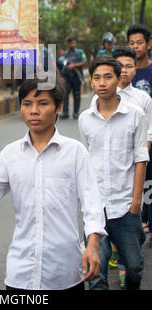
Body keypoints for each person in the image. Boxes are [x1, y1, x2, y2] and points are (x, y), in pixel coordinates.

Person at [0, 74, 106, 290]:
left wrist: (92, 245)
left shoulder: (75, 153)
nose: (34, 111)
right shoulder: (10, 154)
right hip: (20, 272)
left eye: (42, 103)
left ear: (59, 107)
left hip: (65, 273)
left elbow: (92, 204)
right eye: (27, 104)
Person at [78, 55, 149, 290]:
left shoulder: (135, 115)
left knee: (135, 265)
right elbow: (86, 160)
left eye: (108, 77)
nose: (101, 82)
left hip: (125, 204)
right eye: (96, 77)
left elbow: (140, 158)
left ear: (119, 80)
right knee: (96, 272)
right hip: (96, 205)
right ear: (91, 82)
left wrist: (136, 202)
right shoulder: (85, 119)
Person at [127, 24, 152, 249]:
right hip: (131, 140)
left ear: (148, 44)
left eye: (140, 42)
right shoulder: (122, 75)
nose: (136, 47)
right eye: (132, 43)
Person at [59, 37, 87, 119]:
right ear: (68, 44)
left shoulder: (80, 52)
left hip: (76, 76)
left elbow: (84, 61)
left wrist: (74, 65)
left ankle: (76, 112)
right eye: (71, 43)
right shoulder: (65, 53)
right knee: (65, 94)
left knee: (77, 94)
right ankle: (65, 112)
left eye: (74, 43)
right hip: (67, 77)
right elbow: (61, 63)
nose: (73, 45)